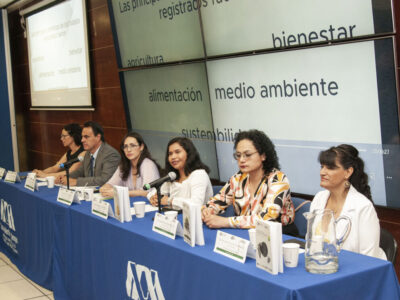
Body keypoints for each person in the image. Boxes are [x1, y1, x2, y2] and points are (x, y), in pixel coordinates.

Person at [202, 129, 298, 235]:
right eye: (238, 155)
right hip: (245, 231)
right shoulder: (237, 179)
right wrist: (208, 211)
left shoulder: (278, 180)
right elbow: (217, 202)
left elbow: (266, 218)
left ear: (263, 155)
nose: (242, 160)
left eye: (247, 155)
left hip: (278, 235)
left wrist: (226, 221)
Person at [310, 144, 386, 260]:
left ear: (348, 172)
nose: (322, 172)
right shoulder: (319, 198)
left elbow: (370, 259)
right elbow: (311, 243)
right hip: (322, 266)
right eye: (322, 166)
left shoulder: (363, 207)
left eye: (330, 167)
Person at [148, 137, 213, 209]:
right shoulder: (173, 176)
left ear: (188, 153)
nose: (173, 157)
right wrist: (153, 198)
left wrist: (170, 201)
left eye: (177, 152)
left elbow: (196, 203)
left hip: (199, 218)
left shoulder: (199, 174)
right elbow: (154, 192)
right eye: (170, 154)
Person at [56, 121, 120, 186]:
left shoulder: (111, 154)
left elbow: (104, 180)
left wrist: (76, 182)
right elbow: (81, 171)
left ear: (98, 137)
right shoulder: (88, 153)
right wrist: (66, 177)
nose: (82, 140)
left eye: (86, 137)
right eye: (82, 137)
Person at [99, 132, 160, 197]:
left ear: (141, 147)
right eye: (125, 146)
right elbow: (110, 184)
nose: (128, 149)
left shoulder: (148, 164)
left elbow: (147, 192)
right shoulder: (124, 165)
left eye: (132, 145)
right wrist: (104, 188)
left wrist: (120, 193)